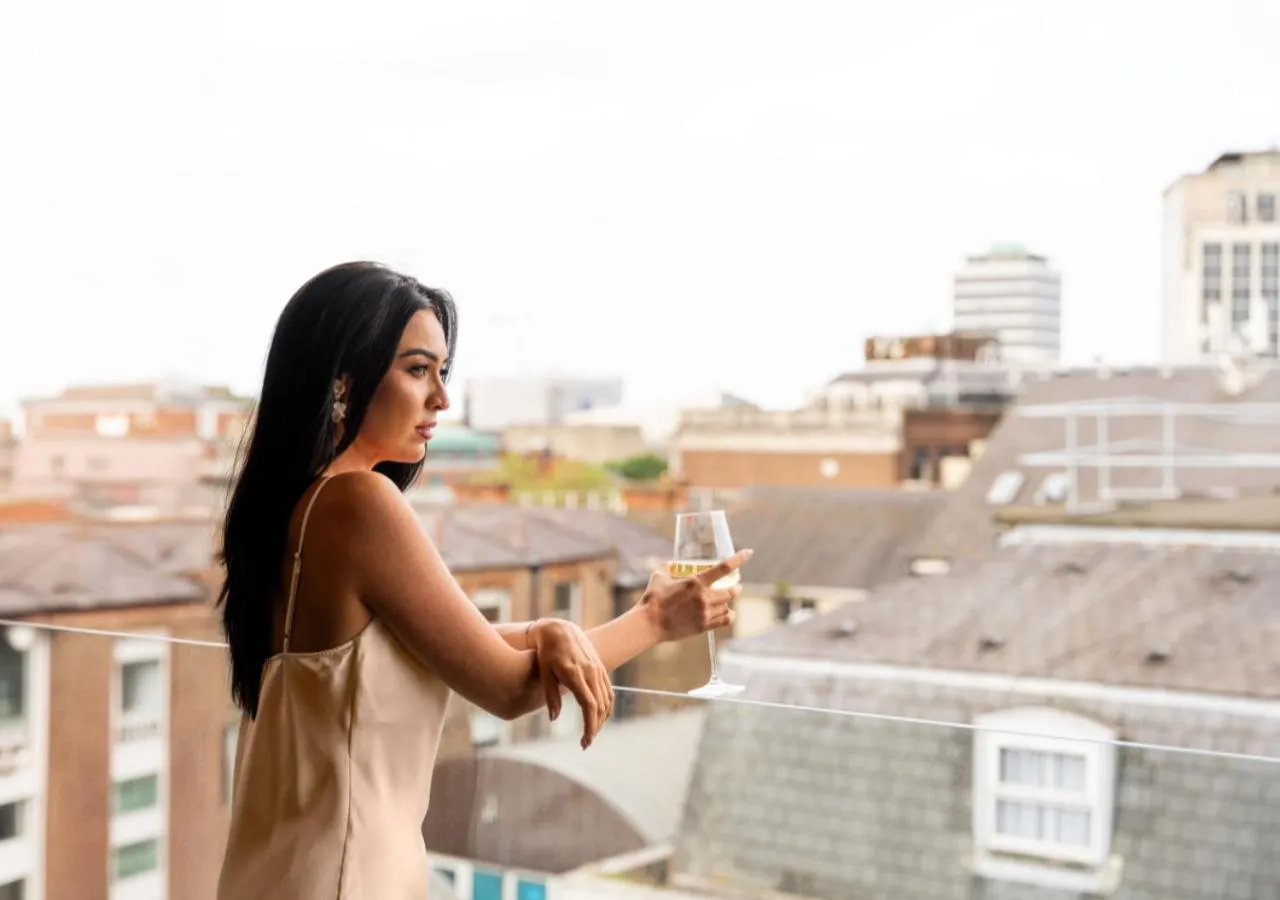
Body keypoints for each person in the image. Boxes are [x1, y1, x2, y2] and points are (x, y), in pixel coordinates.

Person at [214, 261, 751, 900]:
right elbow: (504, 688)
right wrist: (655, 621)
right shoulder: (361, 503)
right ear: (342, 379)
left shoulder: (292, 508)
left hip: (277, 870)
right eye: (418, 370)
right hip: (348, 874)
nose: (441, 398)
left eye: (443, 372)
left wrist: (547, 629)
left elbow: (385, 651)